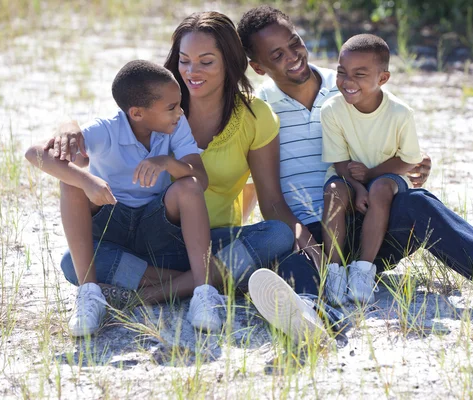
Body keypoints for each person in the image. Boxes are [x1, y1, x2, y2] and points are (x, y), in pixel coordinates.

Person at [237, 6, 473, 334]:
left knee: (418, 204)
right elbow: (271, 202)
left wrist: (413, 164)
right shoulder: (259, 110)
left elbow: (393, 141)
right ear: (258, 66)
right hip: (310, 233)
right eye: (277, 54)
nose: (293, 55)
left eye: (295, 42)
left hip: (369, 224)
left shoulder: (349, 81)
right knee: (289, 259)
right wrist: (306, 242)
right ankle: (308, 312)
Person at [46, 12, 322, 332]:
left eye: (206, 61)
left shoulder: (256, 116)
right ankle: (203, 284)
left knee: (277, 234)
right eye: (185, 60)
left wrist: (308, 241)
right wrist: (68, 124)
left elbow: (271, 202)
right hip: (149, 236)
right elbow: (108, 125)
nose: (192, 72)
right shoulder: (160, 103)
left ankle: (159, 293)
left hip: (212, 244)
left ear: (229, 62)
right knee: (72, 262)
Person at [25, 60, 220, 336]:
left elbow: (200, 177)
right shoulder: (107, 129)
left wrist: (166, 162)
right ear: (137, 113)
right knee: (72, 203)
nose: (180, 112)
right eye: (171, 107)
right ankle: (91, 294)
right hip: (112, 222)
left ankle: (202, 291)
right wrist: (86, 180)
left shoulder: (177, 126)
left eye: (178, 105)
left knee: (187, 187)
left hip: (157, 227)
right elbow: (34, 153)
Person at [320, 34, 424, 305]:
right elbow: (339, 161)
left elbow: (409, 159)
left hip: (387, 178)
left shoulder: (401, 113)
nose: (348, 81)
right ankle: (334, 272)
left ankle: (363, 271)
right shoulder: (332, 110)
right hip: (347, 176)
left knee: (379, 190)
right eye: (342, 72)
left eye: (360, 74)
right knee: (333, 191)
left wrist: (370, 175)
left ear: (383, 79)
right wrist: (355, 186)